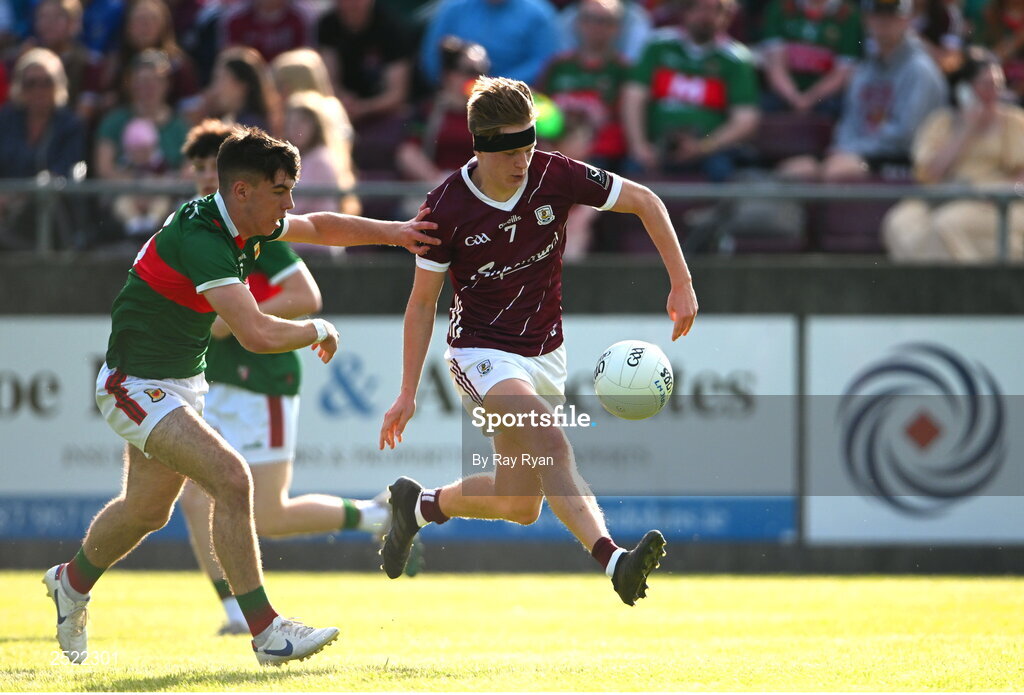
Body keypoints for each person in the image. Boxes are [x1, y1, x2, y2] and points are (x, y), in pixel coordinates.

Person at [43, 125, 439, 665]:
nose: (291, 204)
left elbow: (320, 225)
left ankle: (71, 582)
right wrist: (317, 329)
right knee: (233, 479)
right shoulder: (206, 237)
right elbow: (256, 333)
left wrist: (397, 232)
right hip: (135, 385)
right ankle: (266, 631)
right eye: (281, 192)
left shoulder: (243, 221)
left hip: (178, 382)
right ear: (243, 191)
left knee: (145, 511)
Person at [377, 77, 698, 606]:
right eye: (509, 149)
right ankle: (614, 561)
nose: (522, 160)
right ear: (479, 145)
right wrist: (408, 391)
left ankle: (418, 505)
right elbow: (420, 306)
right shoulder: (445, 208)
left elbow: (645, 200)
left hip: (545, 352)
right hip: (480, 352)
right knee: (551, 441)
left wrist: (681, 281)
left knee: (518, 501)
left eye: (528, 143)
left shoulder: (555, 174)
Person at [175, 120, 420, 636]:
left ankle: (373, 516)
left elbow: (308, 287)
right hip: (211, 381)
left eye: (207, 168)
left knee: (269, 516)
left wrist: (240, 316)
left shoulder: (258, 226)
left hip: (261, 380)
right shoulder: (197, 228)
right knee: (195, 497)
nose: (201, 179)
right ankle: (233, 611)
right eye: (196, 170)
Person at [778, 0, 948, 182]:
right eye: (877, 16)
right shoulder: (865, 69)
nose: (884, 23)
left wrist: (854, 150)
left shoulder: (920, 69)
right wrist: (843, 148)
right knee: (795, 170)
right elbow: (850, 120)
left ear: (907, 20)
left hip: (903, 159)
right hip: (860, 154)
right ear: (867, 20)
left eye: (892, 16)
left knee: (837, 171)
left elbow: (906, 135)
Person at [882, 48, 1024, 261]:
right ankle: (925, 288)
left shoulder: (1014, 121)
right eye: (985, 85)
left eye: (998, 85)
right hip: (945, 196)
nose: (993, 93)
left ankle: (957, 290)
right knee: (898, 223)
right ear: (964, 89)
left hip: (998, 202)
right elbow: (929, 173)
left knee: (947, 224)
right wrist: (965, 129)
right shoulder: (941, 123)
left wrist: (1001, 191)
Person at [621, 0, 760, 181]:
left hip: (710, 151)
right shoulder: (658, 46)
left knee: (724, 172)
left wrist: (704, 147)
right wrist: (639, 146)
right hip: (657, 147)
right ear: (685, 10)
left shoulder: (736, 59)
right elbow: (633, 96)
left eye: (717, 10)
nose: (707, 17)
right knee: (629, 174)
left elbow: (745, 119)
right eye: (700, 8)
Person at [418, 0, 561, 87]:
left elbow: (545, 62)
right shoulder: (453, 7)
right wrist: (450, 84)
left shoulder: (539, 13)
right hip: (455, 95)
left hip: (513, 100)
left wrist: (496, 85)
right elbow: (432, 55)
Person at [759, 0, 862, 116]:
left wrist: (808, 100)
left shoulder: (849, 14)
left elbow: (843, 73)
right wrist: (795, 99)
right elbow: (775, 66)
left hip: (826, 99)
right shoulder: (780, 6)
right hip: (785, 96)